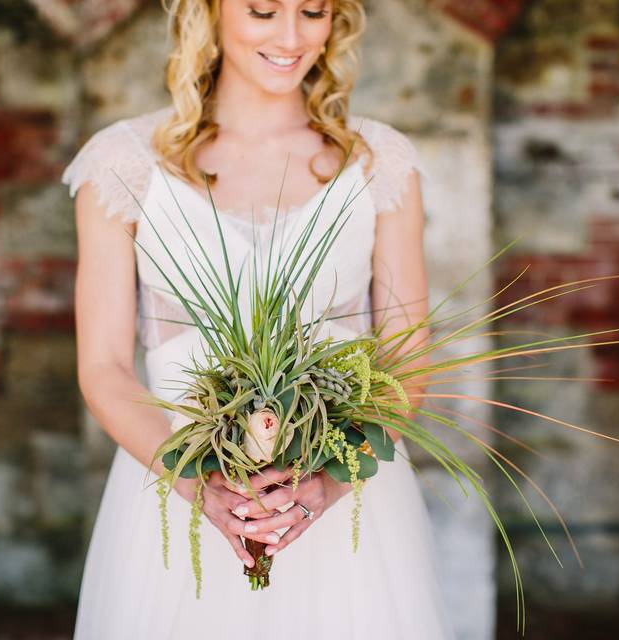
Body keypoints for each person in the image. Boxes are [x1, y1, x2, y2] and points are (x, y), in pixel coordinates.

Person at [62, 0, 455, 637]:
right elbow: (102, 366)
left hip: (344, 502)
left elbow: (407, 352)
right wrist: (200, 487)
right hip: (177, 492)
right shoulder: (124, 163)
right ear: (210, 13)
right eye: (264, 11)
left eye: (313, 11)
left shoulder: (379, 162)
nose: (292, 37)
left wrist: (330, 480)